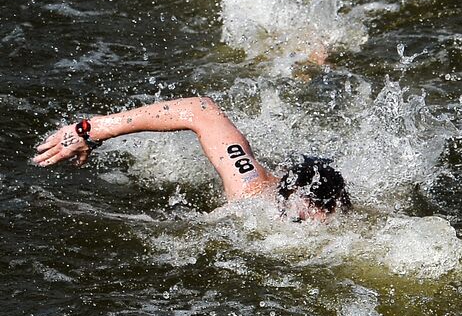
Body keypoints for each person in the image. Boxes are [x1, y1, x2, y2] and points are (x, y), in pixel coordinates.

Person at [33, 97, 350, 220]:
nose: (305, 220)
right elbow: (202, 110)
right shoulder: (249, 186)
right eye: (301, 212)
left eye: (320, 213)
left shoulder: (345, 227)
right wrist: (92, 129)